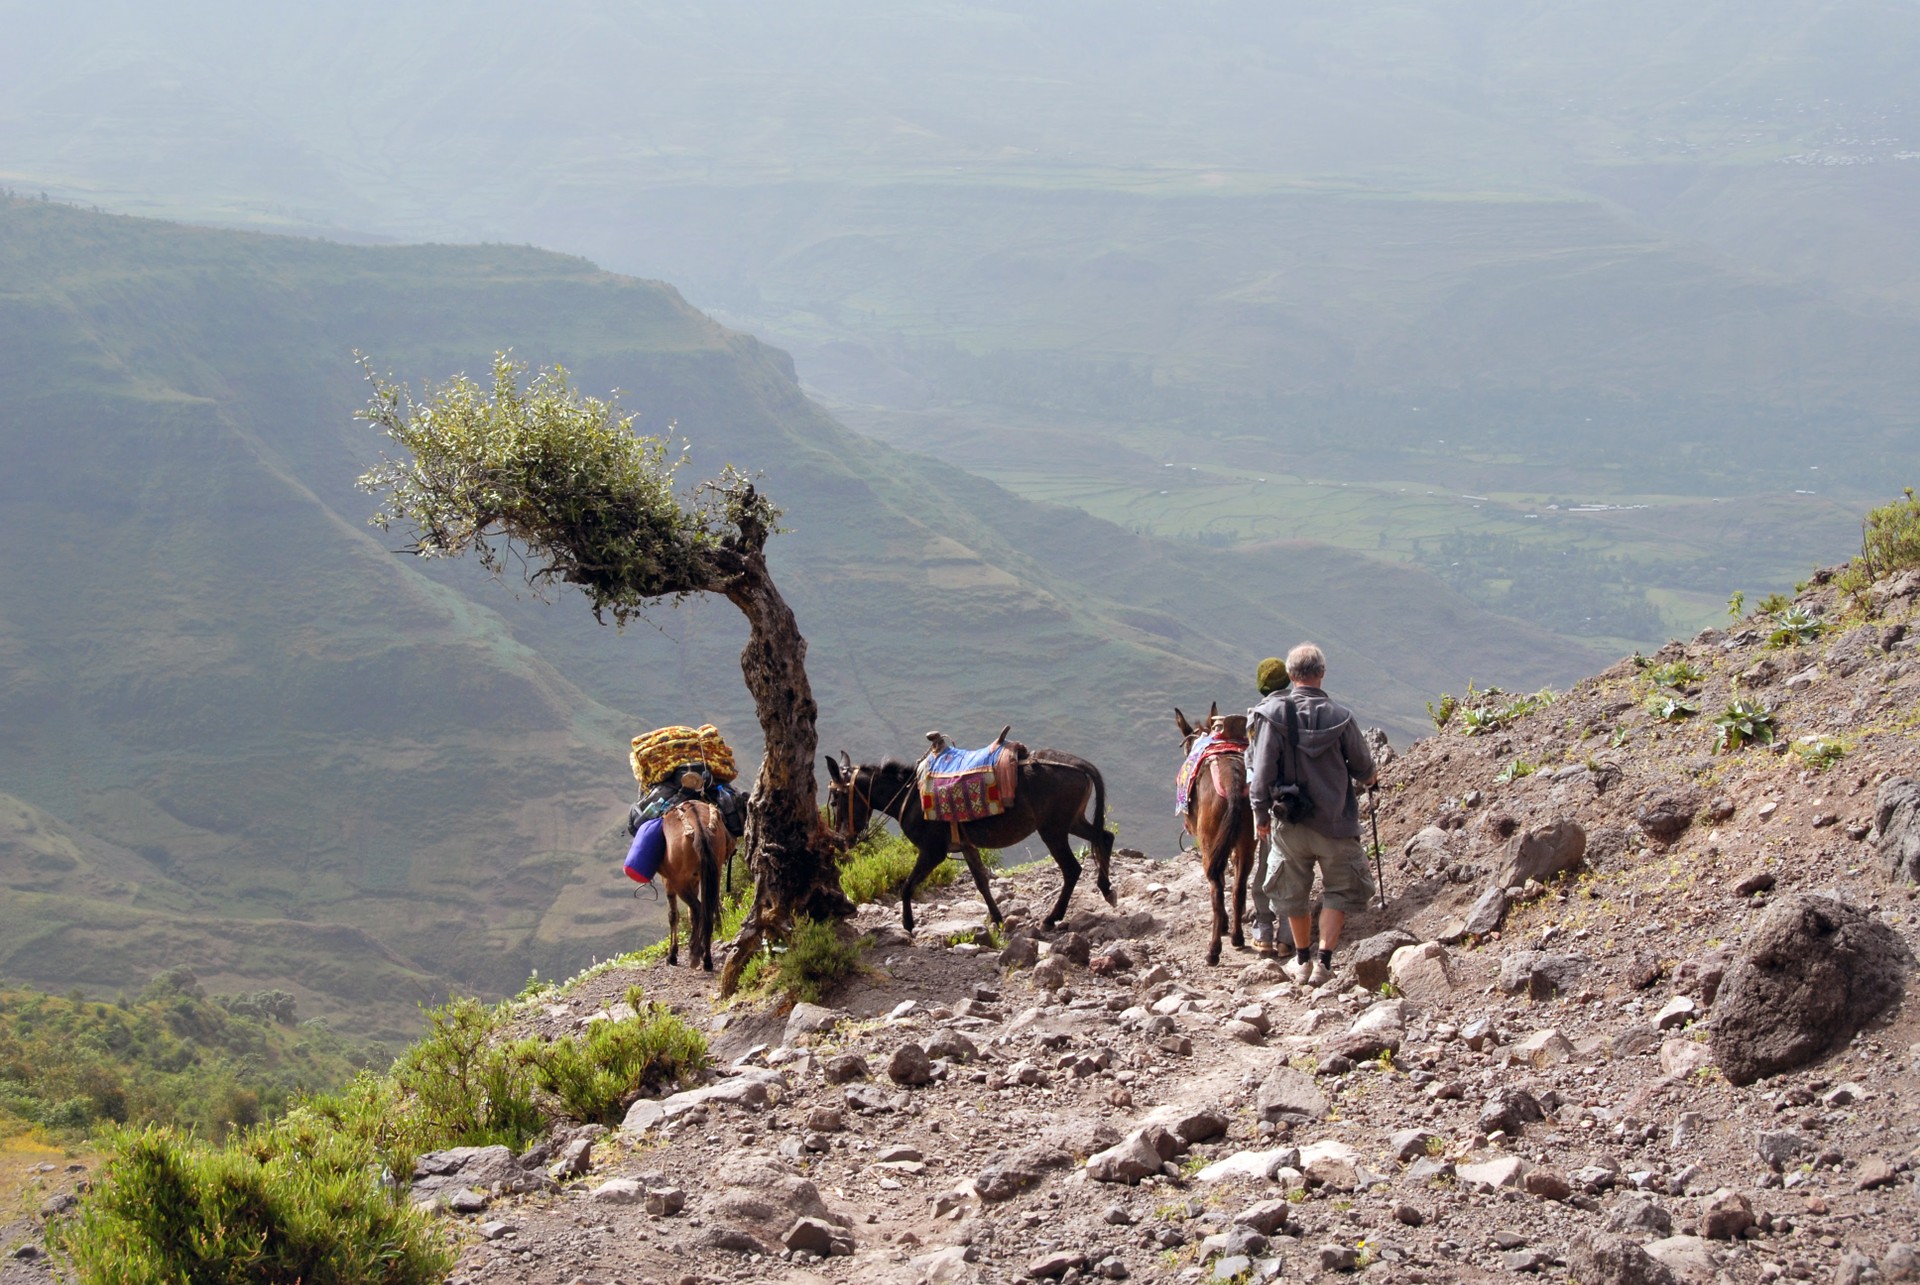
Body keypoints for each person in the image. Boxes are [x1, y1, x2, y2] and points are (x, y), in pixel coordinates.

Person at [1248, 643, 1378, 986]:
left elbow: (1260, 774)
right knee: (1337, 890)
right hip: (1336, 822)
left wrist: (1260, 815)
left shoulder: (1272, 716)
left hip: (1291, 823)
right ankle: (1324, 963)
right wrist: (1371, 779)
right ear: (1321, 673)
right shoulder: (1342, 717)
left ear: (1291, 676)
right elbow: (1364, 769)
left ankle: (1301, 960)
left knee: (1293, 891)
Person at [1243, 657, 1290, 954]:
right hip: (1307, 803)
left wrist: (1259, 813)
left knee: (1267, 863)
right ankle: (1288, 933)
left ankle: (1263, 927)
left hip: (1273, 803)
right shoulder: (1305, 709)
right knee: (1297, 868)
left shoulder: (1260, 718)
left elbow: (1256, 769)